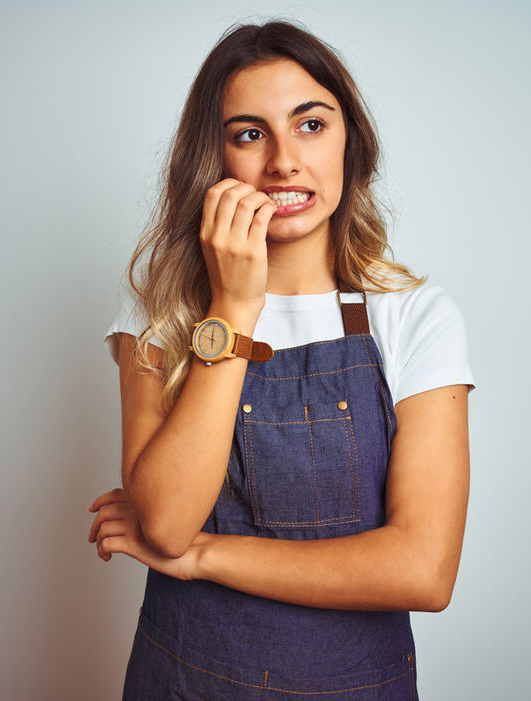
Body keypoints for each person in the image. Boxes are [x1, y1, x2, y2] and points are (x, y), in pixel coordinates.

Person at [88, 20, 475, 700]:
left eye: (311, 125)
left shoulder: (415, 316)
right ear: (215, 157)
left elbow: (423, 569)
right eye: (249, 133)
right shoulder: (162, 306)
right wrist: (234, 310)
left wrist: (205, 555)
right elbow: (168, 519)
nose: (284, 162)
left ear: (350, 140)